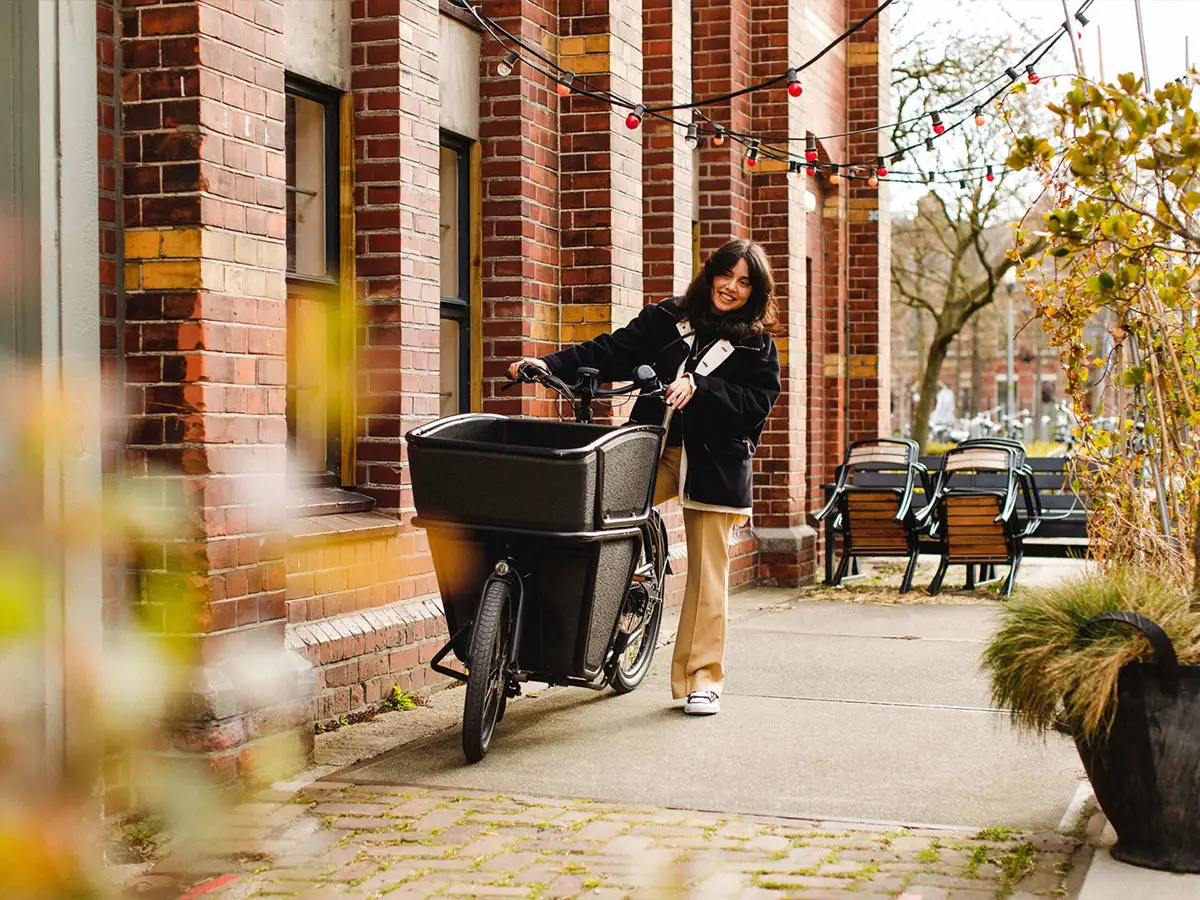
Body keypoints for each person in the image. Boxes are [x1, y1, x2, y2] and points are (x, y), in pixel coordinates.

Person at [508, 239, 781, 716]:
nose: (731, 287)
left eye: (744, 282)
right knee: (589, 512)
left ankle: (703, 679)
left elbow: (756, 406)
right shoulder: (668, 318)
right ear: (709, 273)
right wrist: (548, 364)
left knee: (707, 576)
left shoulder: (756, 344)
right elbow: (612, 349)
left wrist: (703, 388)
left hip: (714, 465)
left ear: (755, 291)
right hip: (651, 448)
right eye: (726, 275)